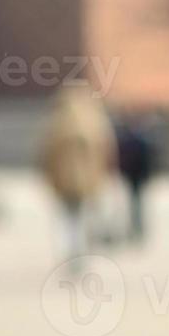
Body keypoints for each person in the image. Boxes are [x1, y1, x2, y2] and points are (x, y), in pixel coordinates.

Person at [39, 84, 115, 268]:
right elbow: (106, 151)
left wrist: (49, 176)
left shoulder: (58, 122)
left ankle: (70, 252)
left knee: (67, 218)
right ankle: (79, 252)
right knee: (82, 217)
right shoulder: (95, 122)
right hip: (87, 181)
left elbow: (46, 153)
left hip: (63, 180)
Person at [114, 112, 158, 244]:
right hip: (133, 177)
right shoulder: (135, 140)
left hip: (136, 177)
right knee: (135, 204)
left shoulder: (138, 140)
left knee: (137, 204)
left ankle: (137, 228)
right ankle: (135, 228)